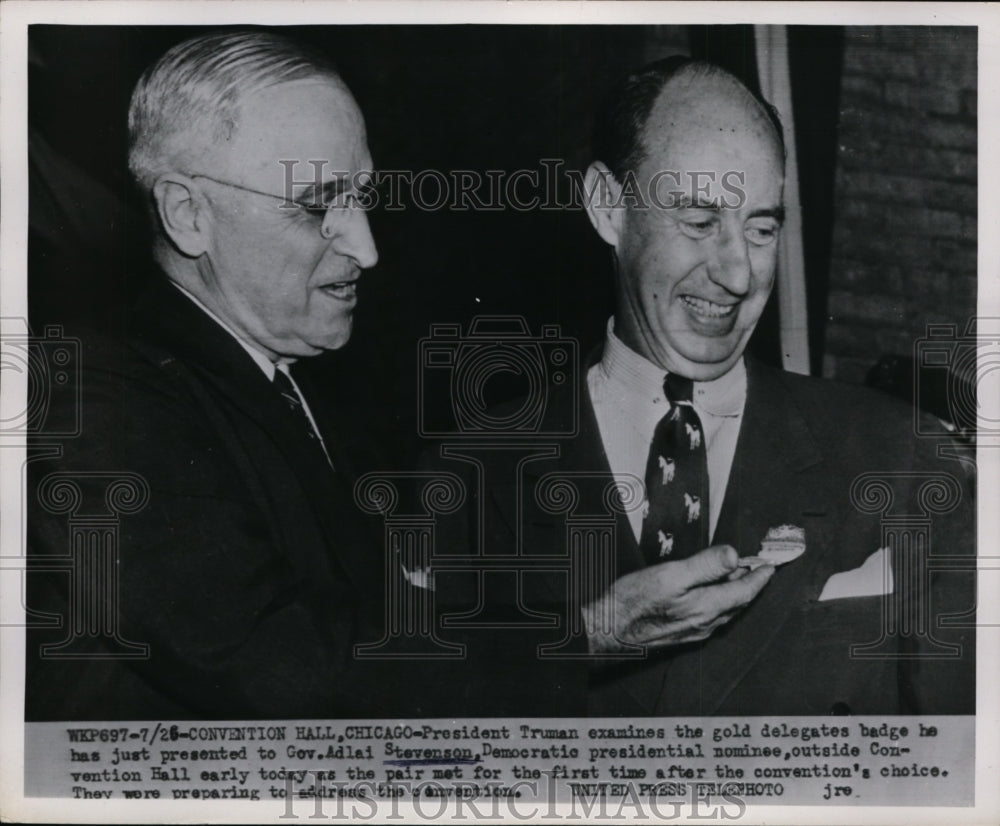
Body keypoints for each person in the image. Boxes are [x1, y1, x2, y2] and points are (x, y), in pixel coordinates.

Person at [437, 57, 975, 716]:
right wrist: (590, 636)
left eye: (761, 228)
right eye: (699, 222)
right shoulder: (472, 476)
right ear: (609, 208)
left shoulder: (900, 456)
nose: (739, 273)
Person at [26, 30, 404, 720]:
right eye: (318, 206)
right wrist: (587, 629)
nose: (366, 247)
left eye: (364, 196)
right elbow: (282, 665)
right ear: (187, 214)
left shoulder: (297, 379)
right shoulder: (96, 397)